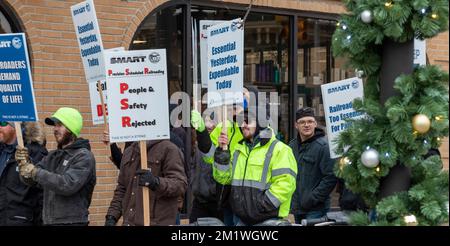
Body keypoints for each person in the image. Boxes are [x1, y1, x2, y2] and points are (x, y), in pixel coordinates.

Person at [213, 103, 297, 226]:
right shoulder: (238, 149)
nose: (243, 125)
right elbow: (224, 178)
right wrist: (221, 154)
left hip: (268, 220)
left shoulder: (280, 149)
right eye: (241, 121)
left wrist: (261, 206)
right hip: (241, 219)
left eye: (248, 121)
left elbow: (285, 184)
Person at [15, 107, 96, 226]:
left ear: (71, 128)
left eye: (60, 125)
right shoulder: (52, 156)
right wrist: (24, 164)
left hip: (73, 222)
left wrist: (34, 172)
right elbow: (31, 181)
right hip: (49, 221)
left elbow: (67, 184)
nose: (55, 129)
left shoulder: (84, 157)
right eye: (55, 125)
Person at [105, 139, 187, 226]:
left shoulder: (168, 149)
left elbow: (180, 184)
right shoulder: (129, 151)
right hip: (130, 222)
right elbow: (122, 189)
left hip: (157, 222)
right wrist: (112, 216)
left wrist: (156, 182)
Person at [289, 107, 337, 224]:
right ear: (296, 125)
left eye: (310, 121)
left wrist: (313, 198)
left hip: (316, 208)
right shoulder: (291, 146)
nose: (306, 125)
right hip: (297, 207)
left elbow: (330, 177)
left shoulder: (323, 147)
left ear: (315, 124)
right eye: (302, 122)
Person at [0, 121, 47, 226]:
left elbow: (43, 193)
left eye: (2, 123)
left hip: (20, 220)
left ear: (15, 125)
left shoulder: (35, 152)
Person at [189, 112, 222, 223]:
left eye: (212, 121)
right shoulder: (199, 145)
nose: (208, 125)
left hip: (217, 204)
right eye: (205, 120)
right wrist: (194, 183)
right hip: (199, 201)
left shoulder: (223, 144)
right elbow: (194, 166)